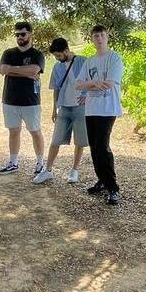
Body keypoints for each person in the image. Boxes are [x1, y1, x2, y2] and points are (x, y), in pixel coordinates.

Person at [75, 25, 125, 205]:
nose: (99, 39)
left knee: (102, 147)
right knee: (94, 148)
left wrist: (90, 84)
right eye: (95, 36)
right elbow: (78, 84)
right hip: (91, 110)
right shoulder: (89, 61)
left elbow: (110, 83)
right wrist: (95, 84)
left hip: (107, 109)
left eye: (102, 35)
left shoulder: (114, 58)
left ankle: (113, 188)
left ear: (107, 37)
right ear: (92, 39)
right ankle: (102, 180)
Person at [33, 37, 87, 185]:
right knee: (55, 140)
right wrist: (54, 109)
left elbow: (90, 81)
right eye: (55, 56)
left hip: (81, 107)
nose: (57, 58)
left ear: (66, 51)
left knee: (80, 141)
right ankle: (48, 170)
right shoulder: (57, 67)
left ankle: (74, 171)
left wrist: (87, 97)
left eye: (58, 55)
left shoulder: (83, 61)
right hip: (64, 107)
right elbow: (56, 88)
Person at [0, 21, 47, 176]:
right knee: (13, 131)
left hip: (30, 101)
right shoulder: (8, 53)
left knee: (35, 131)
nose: (19, 37)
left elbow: (35, 69)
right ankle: (13, 163)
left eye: (23, 34)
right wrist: (25, 72)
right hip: (10, 100)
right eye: (17, 34)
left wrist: (12, 70)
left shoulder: (37, 54)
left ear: (30, 34)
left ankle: (40, 163)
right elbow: (2, 70)